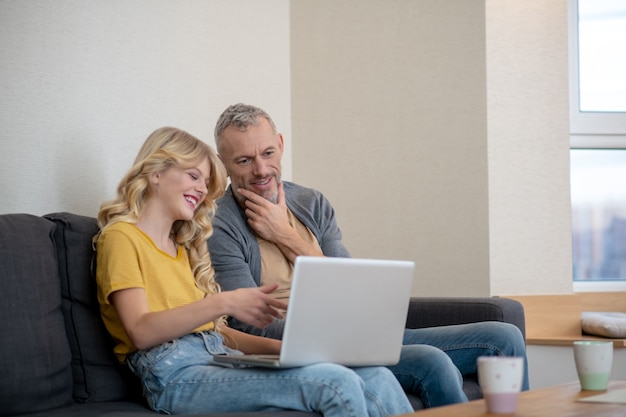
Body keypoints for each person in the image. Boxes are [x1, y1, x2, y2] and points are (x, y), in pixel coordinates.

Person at [208, 103, 531, 408]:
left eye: (268, 153)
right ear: (224, 163)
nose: (262, 169)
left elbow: (351, 286)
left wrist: (285, 235)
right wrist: (333, 335)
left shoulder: (310, 203)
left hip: (363, 329)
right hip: (313, 346)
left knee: (504, 337)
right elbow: (249, 325)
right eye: (244, 160)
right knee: (433, 362)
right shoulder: (220, 225)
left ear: (280, 144)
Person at [93, 126, 413, 416]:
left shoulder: (183, 248)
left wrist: (298, 353)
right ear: (155, 173)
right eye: (193, 176)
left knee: (375, 377)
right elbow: (140, 331)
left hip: (215, 357)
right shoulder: (121, 237)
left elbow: (218, 334)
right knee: (336, 384)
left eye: (206, 182)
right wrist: (225, 302)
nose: (202, 189)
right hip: (174, 374)